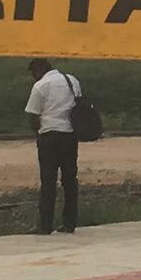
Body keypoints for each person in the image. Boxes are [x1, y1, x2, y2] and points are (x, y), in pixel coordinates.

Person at [24, 54, 85, 236]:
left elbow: (33, 114)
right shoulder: (72, 80)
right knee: (69, 180)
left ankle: (45, 225)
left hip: (49, 136)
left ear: (38, 70)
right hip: (70, 135)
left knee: (48, 181)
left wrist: (38, 135)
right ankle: (69, 223)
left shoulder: (41, 86)